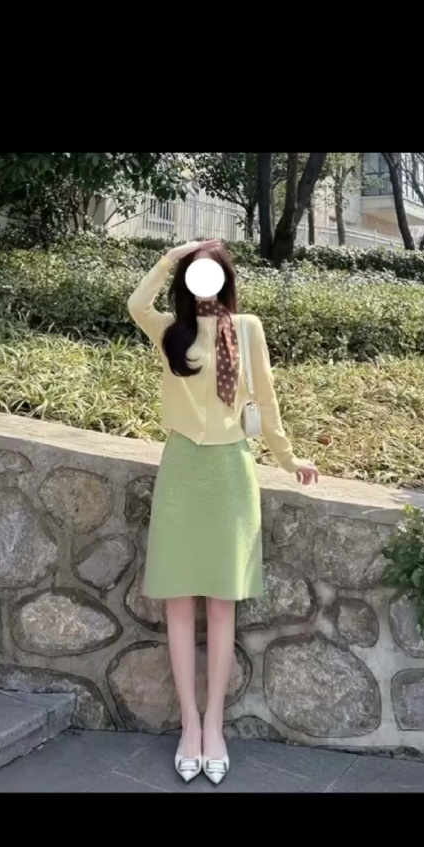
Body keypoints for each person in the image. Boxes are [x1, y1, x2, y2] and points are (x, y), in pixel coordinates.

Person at [127, 239, 318, 785]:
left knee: (221, 605)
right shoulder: (172, 330)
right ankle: (189, 726)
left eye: (210, 272)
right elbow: (136, 305)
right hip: (182, 469)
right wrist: (172, 257)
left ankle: (215, 727)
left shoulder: (248, 328)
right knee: (179, 604)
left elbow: (267, 402)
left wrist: (289, 458)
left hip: (232, 472)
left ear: (226, 279)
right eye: (195, 274)